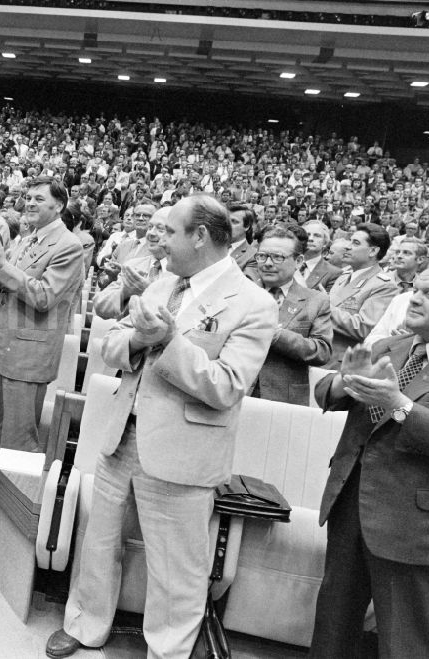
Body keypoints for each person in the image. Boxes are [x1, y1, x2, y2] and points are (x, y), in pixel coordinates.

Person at [46, 194, 277, 659]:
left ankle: (167, 651)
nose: (160, 240)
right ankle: (85, 623)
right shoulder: (161, 282)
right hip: (121, 438)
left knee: (176, 569)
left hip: (183, 453)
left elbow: (226, 386)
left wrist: (170, 341)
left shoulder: (253, 304)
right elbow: (108, 341)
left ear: (200, 236)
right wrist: (134, 338)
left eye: (170, 231)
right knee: (100, 543)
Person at [310, 257, 429, 658]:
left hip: (415, 523)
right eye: (416, 290)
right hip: (350, 504)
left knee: (401, 639)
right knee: (332, 625)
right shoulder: (390, 345)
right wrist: (343, 382)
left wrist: (399, 404)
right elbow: (325, 391)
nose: (416, 299)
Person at [0, 175, 84, 454]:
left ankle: (13, 497)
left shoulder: (68, 246)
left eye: (40, 199)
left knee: (20, 440)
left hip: (30, 354)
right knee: (2, 432)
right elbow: (3, 292)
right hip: (9, 348)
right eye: (29, 197)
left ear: (59, 205)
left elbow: (44, 297)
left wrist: (3, 267)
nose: (30, 204)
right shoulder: (26, 240)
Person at [250, 224, 333, 405]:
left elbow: (322, 352)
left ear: (298, 261)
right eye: (262, 256)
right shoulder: (241, 292)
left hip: (282, 399)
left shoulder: (316, 301)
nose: (268, 263)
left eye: (278, 257)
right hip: (236, 391)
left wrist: (277, 336)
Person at [327, 223, 400, 365]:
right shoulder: (344, 275)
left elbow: (364, 328)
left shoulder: (384, 285)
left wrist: (323, 306)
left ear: (373, 251)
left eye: (355, 243)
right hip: (322, 352)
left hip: (342, 362)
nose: (347, 246)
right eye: (349, 241)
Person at [92, 206, 170, 320]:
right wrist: (125, 291)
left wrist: (147, 291)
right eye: (150, 227)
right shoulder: (133, 264)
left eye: (160, 229)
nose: (152, 233)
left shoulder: (181, 271)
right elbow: (100, 304)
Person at [300, 220, 342, 291]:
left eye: (317, 236)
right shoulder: (287, 264)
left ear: (325, 242)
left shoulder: (334, 273)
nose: (310, 239)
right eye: (307, 235)